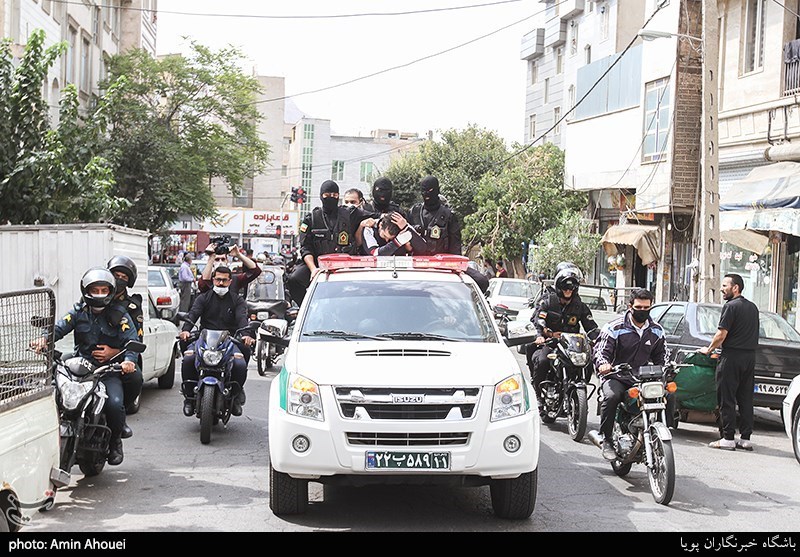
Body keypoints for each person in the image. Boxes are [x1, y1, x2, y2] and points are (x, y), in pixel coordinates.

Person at [30, 268, 139, 465]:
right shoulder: (78, 312)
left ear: (110, 291)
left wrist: (128, 360)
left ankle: (115, 442)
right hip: (80, 369)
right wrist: (43, 340)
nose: (99, 294)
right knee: (54, 395)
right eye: (94, 290)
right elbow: (59, 328)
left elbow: (131, 340)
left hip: (107, 371)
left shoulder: (120, 316)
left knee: (114, 403)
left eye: (103, 290)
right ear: (86, 290)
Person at [593, 288, 667, 460]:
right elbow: (600, 351)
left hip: (642, 378)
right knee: (612, 397)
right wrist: (604, 364)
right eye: (639, 307)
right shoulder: (614, 327)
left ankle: (659, 434)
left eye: (646, 308)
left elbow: (662, 356)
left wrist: (665, 368)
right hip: (616, 375)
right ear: (630, 306)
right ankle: (606, 439)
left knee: (667, 396)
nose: (642, 311)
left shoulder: (657, 330)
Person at [178, 266, 256, 417]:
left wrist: (246, 334)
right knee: (188, 358)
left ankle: (236, 395)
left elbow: (242, 318)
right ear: (213, 280)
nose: (220, 283)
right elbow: (193, 314)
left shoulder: (237, 300)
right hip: (205, 340)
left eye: (224, 280)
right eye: (218, 279)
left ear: (229, 281)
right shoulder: (203, 298)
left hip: (229, 341)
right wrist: (186, 330)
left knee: (240, 364)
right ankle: (188, 397)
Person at [287, 179, 373, 306]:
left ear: (338, 196)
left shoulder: (350, 214)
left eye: (334, 195)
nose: (331, 198)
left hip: (345, 264)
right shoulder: (311, 219)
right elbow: (306, 248)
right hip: (318, 264)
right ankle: (310, 307)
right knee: (294, 280)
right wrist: (313, 269)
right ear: (321, 196)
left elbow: (376, 215)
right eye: (327, 195)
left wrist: (369, 222)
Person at [700, 273, 760, 451]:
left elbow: (721, 334)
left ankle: (727, 438)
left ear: (736, 288)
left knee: (726, 397)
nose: (722, 288)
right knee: (745, 398)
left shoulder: (730, 307)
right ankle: (746, 438)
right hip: (749, 358)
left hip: (731, 356)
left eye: (725, 285)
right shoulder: (753, 307)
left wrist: (708, 349)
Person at [527, 266, 600, 408]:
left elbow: (591, 326)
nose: (568, 291)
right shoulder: (548, 302)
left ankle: (580, 386)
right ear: (559, 286)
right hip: (551, 343)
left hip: (572, 345)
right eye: (565, 287)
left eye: (571, 288)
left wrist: (598, 339)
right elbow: (538, 320)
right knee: (542, 361)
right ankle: (538, 395)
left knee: (588, 361)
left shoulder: (580, 306)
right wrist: (541, 335)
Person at [407, 175, 488, 293]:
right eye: (423, 191)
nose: (426, 195)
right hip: (416, 264)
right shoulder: (414, 212)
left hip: (443, 265)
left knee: (481, 281)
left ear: (437, 190)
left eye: (430, 191)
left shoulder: (449, 215)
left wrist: (455, 267)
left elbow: (455, 247)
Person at [106, 255, 144, 440]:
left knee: (135, 377)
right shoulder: (93, 297)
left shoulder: (132, 306)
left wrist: (115, 353)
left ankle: (120, 417)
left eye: (124, 277)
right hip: (92, 355)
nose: (119, 279)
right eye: (116, 275)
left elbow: (136, 339)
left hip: (121, 358)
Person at [357, 212, 425, 256]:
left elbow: (424, 249)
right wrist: (397, 242)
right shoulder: (369, 228)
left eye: (391, 239)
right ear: (380, 225)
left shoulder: (404, 226)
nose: (386, 240)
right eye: (384, 236)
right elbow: (375, 253)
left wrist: (406, 228)